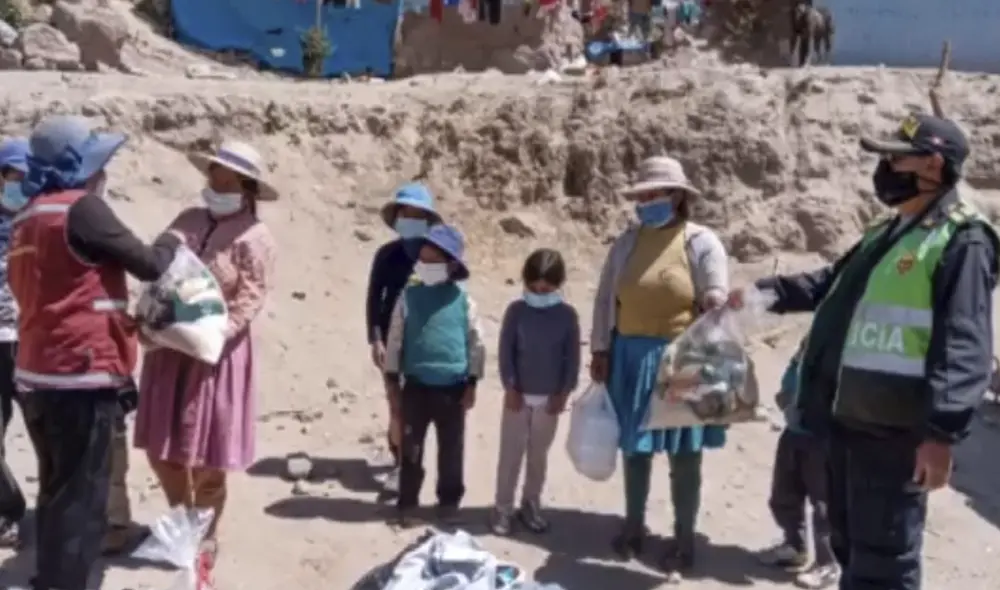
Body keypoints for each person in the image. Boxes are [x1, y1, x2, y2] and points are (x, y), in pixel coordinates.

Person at [729, 113, 999, 590]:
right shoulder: (891, 229)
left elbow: (965, 342)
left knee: (885, 563)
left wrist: (942, 433)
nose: (885, 166)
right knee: (851, 548)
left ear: (933, 165)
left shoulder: (963, 239)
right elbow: (830, 283)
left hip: (892, 437)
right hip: (845, 422)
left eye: (896, 156)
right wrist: (762, 293)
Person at [7, 115, 180, 590]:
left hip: (37, 375)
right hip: (80, 375)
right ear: (81, 167)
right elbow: (147, 263)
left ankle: (50, 576)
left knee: (59, 488)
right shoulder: (81, 210)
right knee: (83, 496)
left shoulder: (26, 217)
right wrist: (173, 240)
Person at [134, 140, 278, 567]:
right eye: (214, 175)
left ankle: (206, 530)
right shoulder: (189, 220)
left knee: (209, 453)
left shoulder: (256, 237)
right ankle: (182, 517)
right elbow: (160, 261)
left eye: (228, 179)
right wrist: (152, 321)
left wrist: (211, 336)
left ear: (247, 187)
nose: (217, 183)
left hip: (216, 357)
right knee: (164, 449)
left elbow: (249, 299)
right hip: (167, 349)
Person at [590, 156, 728, 576]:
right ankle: (634, 528)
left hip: (682, 358)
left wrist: (715, 301)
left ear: (677, 196)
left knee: (684, 454)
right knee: (635, 449)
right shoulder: (626, 243)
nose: (646, 201)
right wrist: (600, 349)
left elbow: (715, 291)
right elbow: (604, 300)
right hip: (630, 356)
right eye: (641, 195)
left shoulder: (701, 242)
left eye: (654, 194)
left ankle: (684, 540)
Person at [383, 224, 485, 527]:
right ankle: (408, 502)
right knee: (411, 448)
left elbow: (475, 343)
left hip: (453, 389)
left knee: (452, 449)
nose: (424, 266)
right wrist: (391, 378)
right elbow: (395, 339)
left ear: (451, 266)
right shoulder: (408, 298)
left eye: (432, 261)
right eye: (422, 260)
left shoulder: (463, 301)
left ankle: (449, 500)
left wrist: (472, 382)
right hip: (416, 387)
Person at [491, 248, 581, 536]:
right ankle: (503, 508)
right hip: (517, 398)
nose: (540, 294)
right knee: (510, 456)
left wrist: (563, 393)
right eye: (534, 288)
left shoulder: (567, 316)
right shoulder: (516, 311)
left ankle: (530, 504)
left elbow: (572, 358)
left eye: (547, 289)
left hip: (549, 402)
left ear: (559, 284)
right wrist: (511, 386)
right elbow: (506, 352)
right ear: (525, 282)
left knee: (537, 456)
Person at [366, 182, 441, 494]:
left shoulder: (436, 257)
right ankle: (399, 465)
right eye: (405, 212)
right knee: (397, 406)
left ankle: (413, 466)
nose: (410, 218)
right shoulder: (386, 255)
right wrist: (375, 338)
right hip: (392, 345)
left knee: (418, 410)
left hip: (422, 343)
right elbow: (374, 298)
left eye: (417, 213)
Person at [759, 343, 838, 589]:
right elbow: (796, 369)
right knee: (784, 492)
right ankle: (794, 545)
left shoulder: (840, 343)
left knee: (823, 504)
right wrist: (786, 396)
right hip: (794, 430)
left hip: (821, 435)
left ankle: (828, 563)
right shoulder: (810, 340)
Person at [0, 138, 29, 546]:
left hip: (33, 342)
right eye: (13, 176)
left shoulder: (41, 222)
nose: (21, 184)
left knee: (52, 436)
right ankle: (9, 510)